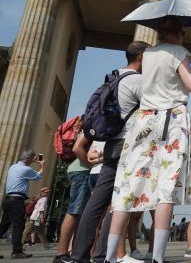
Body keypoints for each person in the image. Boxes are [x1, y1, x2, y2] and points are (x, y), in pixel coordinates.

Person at [107, 16, 191, 263]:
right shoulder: (179, 52)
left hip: (144, 120)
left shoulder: (147, 54)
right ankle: (158, 257)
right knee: (166, 187)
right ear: (180, 33)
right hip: (172, 120)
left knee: (127, 185)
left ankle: (110, 256)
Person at [63, 41, 149, 263]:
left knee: (96, 202)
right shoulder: (138, 81)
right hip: (130, 147)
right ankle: (101, 255)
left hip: (112, 145)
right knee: (120, 203)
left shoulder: (113, 77)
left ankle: (79, 255)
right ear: (141, 56)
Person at [53, 126, 92, 263]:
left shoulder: (84, 126)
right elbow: (77, 148)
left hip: (79, 170)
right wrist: (90, 165)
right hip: (82, 171)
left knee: (80, 213)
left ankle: (73, 252)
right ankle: (61, 254)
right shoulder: (89, 125)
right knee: (74, 211)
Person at [0, 149, 44, 258]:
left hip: (7, 200)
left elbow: (26, 164)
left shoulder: (13, 167)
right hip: (16, 201)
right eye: (32, 158)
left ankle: (17, 250)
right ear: (29, 159)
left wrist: (31, 161)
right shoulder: (26, 169)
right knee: (19, 226)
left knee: (3, 226)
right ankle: (17, 251)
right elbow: (39, 176)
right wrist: (42, 165)